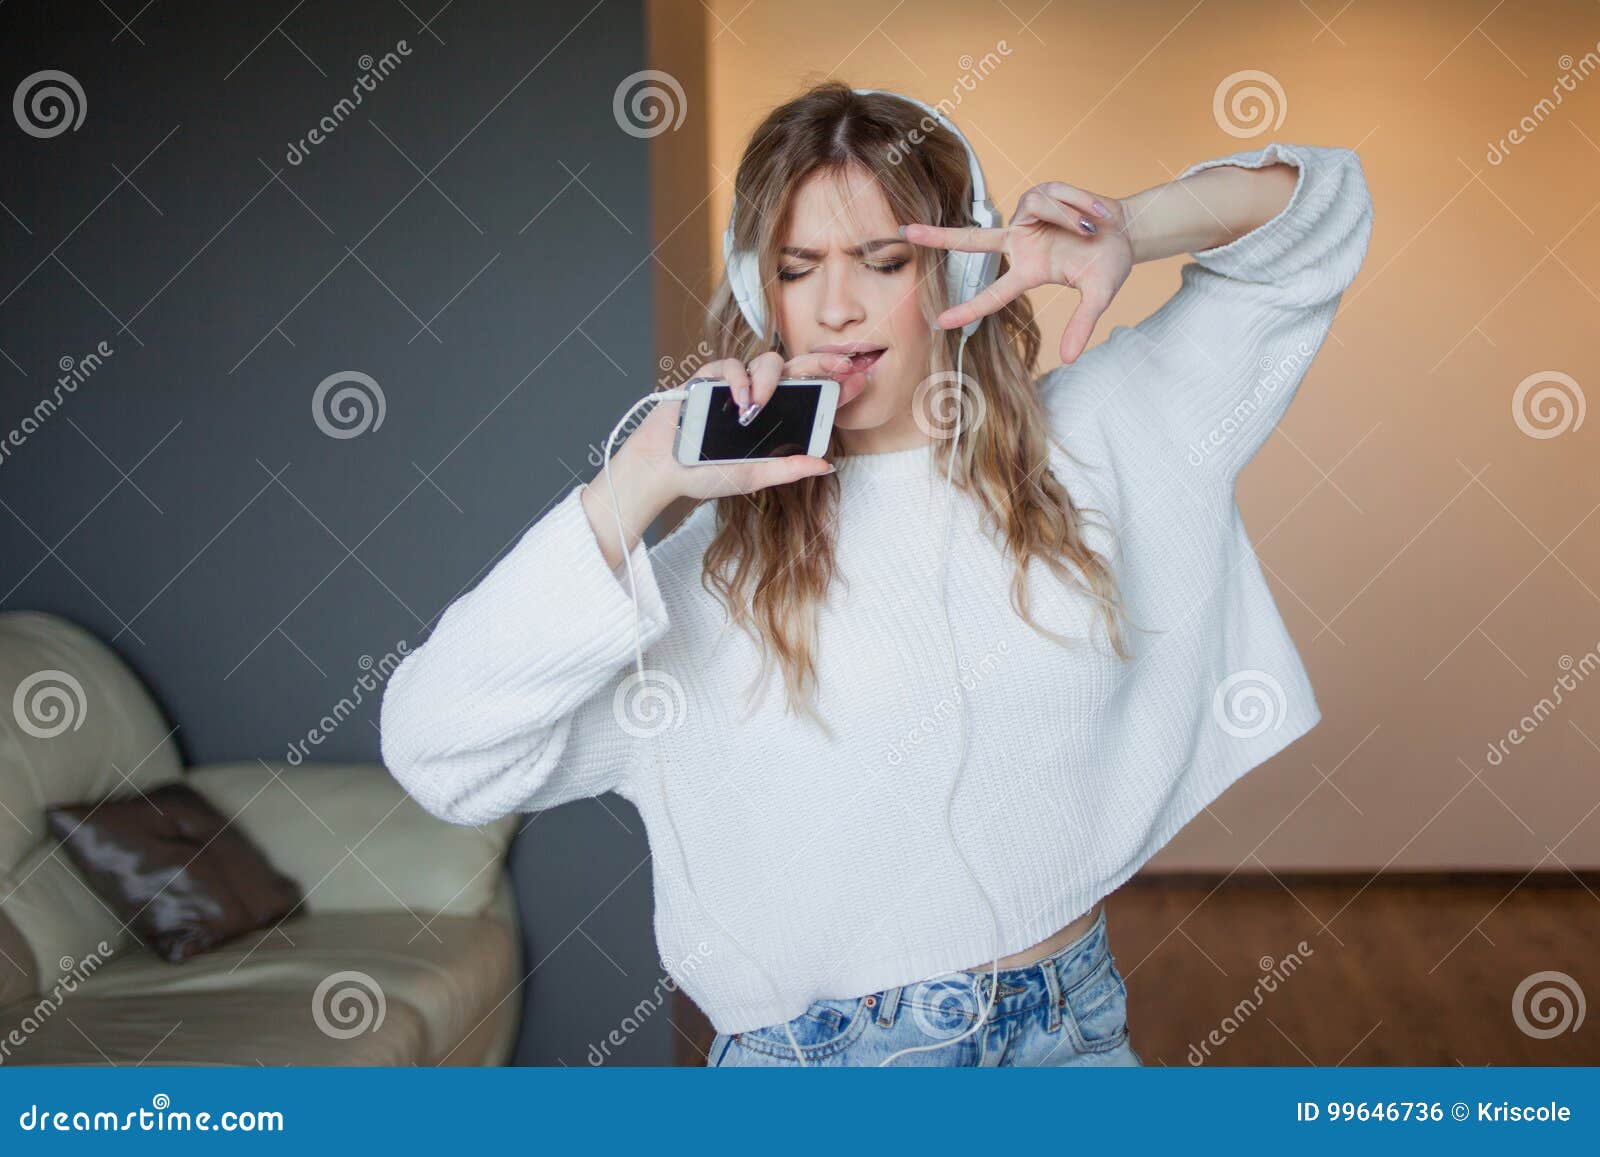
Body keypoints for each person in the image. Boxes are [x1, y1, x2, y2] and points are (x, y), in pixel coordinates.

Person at [378, 81, 1374, 1067]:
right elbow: (438, 751)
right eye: (797, 268)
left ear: (959, 261)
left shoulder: (1100, 438)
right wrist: (633, 485)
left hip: (1067, 1038)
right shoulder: (710, 576)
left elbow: (1318, 216)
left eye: (884, 259)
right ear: (756, 286)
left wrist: (1122, 226)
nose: (837, 307)